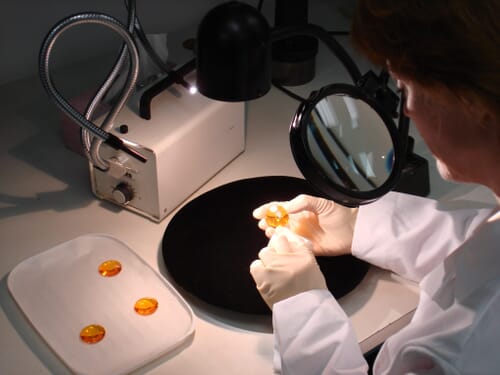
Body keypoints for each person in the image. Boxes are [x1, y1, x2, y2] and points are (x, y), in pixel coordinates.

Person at [249, 0, 500, 373]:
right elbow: (486, 248)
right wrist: (358, 225)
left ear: (473, 100)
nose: (408, 110)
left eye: (406, 86)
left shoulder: (463, 347)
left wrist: (302, 311)